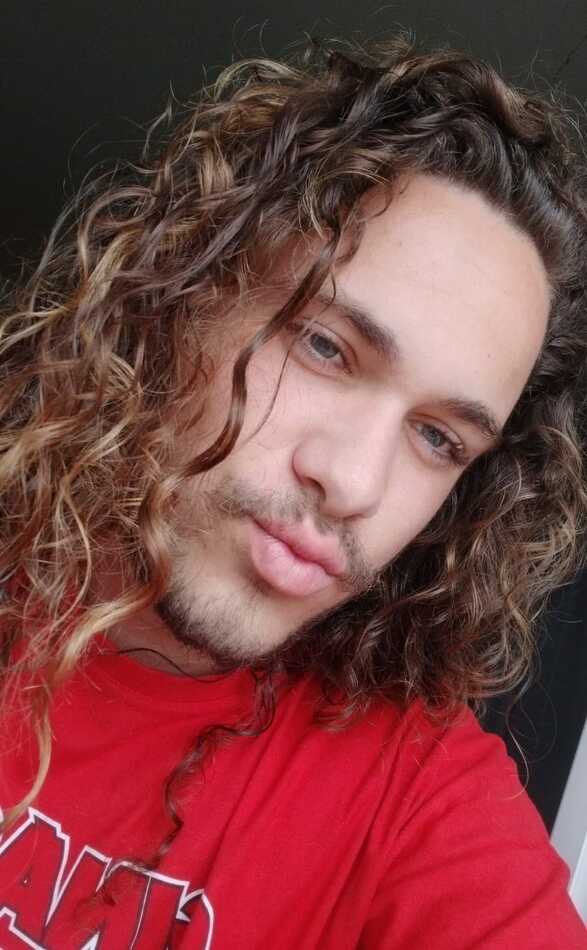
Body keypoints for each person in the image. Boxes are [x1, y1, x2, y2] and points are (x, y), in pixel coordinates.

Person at [0, 31, 586, 948]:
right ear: (184, 286)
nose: (353, 483)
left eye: (437, 438)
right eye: (324, 347)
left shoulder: (414, 796)